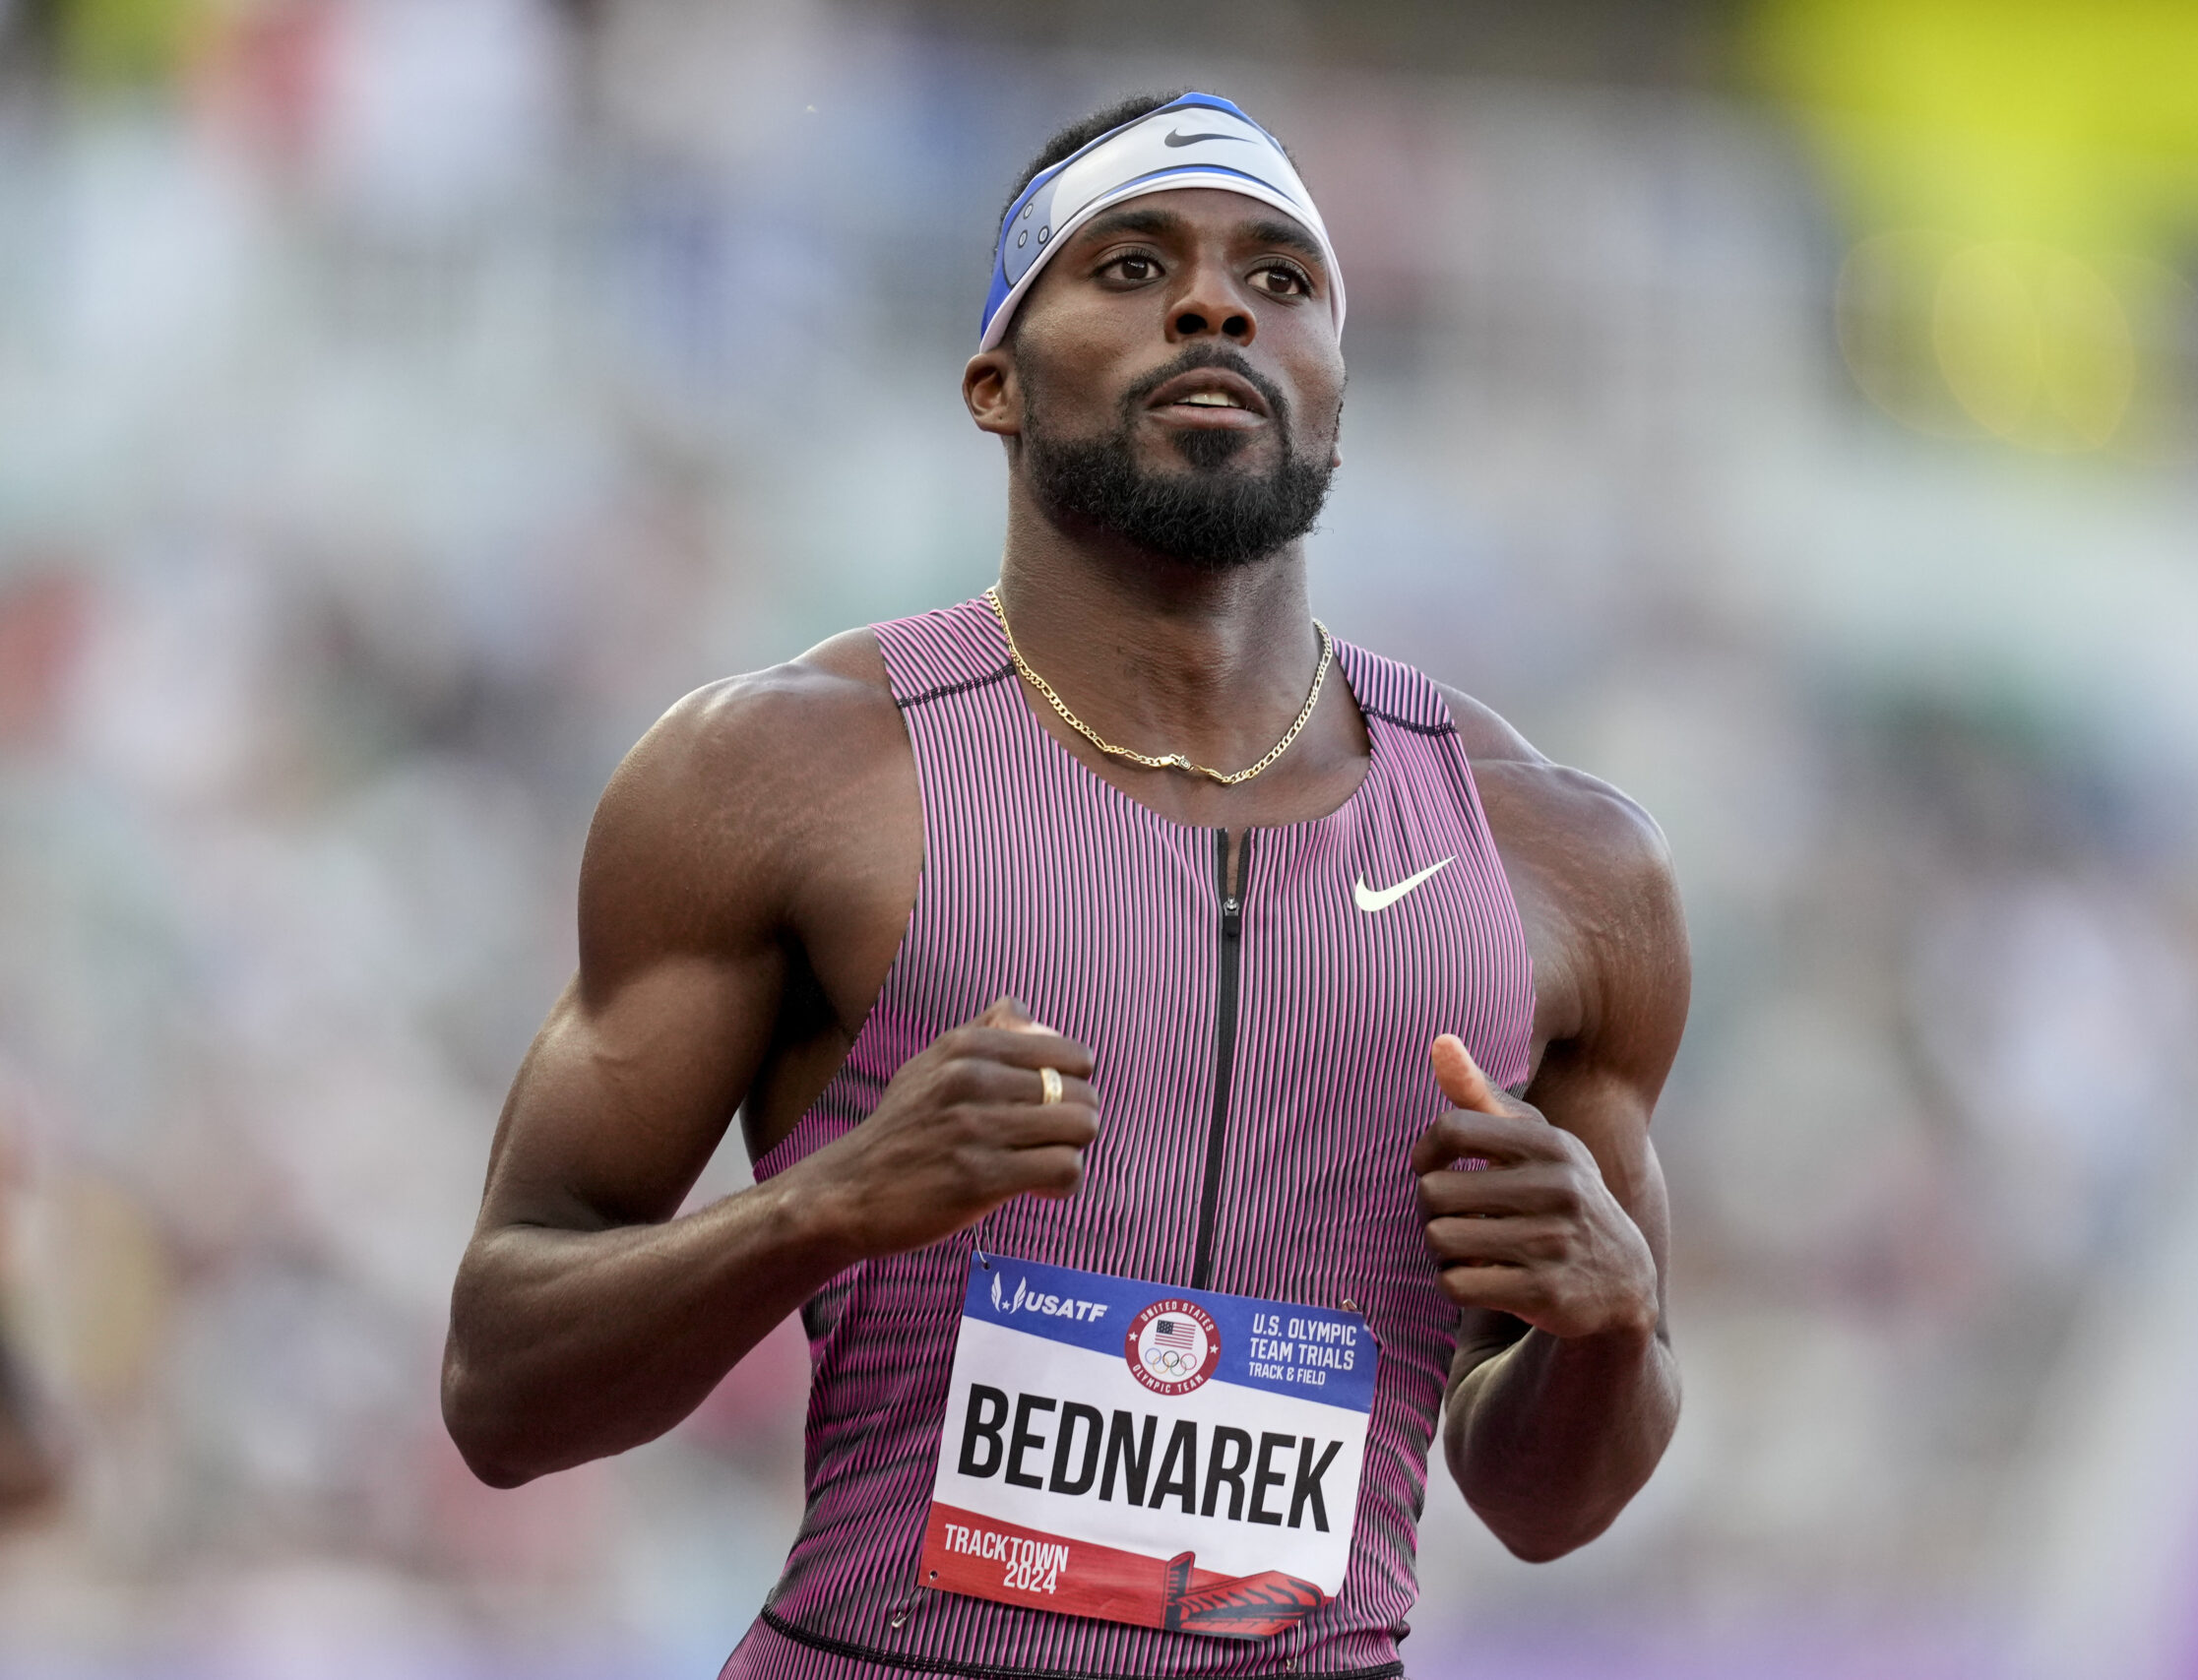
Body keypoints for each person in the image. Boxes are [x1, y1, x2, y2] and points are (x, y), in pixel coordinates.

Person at [443, 92, 1687, 1680]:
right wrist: (821, 1211)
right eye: (1131, 264)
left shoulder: (1565, 861)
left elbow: (1550, 1501)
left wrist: (1611, 1327)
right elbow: (499, 1387)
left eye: (1283, 280)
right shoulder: (782, 777)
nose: (1217, 301)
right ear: (994, 384)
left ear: (1335, 392)